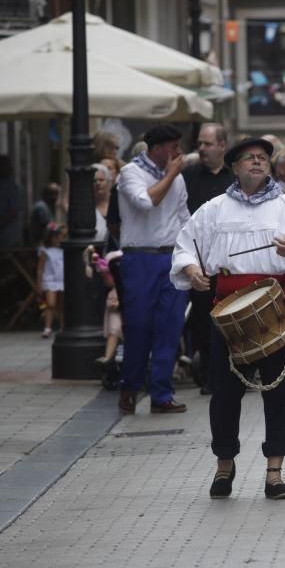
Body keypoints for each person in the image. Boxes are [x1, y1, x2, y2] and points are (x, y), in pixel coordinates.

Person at [171, 138, 285, 501]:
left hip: (275, 309)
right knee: (223, 393)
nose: (256, 163)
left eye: (262, 159)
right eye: (248, 159)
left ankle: (274, 474)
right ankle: (225, 466)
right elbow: (185, 246)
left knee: (281, 392)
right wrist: (192, 270)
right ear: (235, 167)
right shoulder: (214, 209)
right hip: (228, 310)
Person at [116, 125, 190, 415]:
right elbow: (147, 202)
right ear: (156, 148)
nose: (178, 153)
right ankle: (130, 386)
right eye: (173, 147)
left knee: (170, 327)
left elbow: (184, 218)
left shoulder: (179, 179)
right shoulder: (130, 173)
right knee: (138, 327)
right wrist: (171, 174)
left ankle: (161, 393)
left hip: (170, 256)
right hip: (139, 258)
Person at [183, 123, 236, 395]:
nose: (201, 148)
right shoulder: (188, 176)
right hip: (201, 263)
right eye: (200, 144)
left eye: (207, 143)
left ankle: (236, 374)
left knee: (233, 320)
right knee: (202, 321)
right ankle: (208, 377)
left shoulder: (235, 178)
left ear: (222, 146)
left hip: (231, 262)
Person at [37, 222, 66, 338]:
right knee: (50, 304)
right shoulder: (45, 251)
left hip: (62, 279)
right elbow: (40, 268)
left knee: (62, 305)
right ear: (49, 238)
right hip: (50, 280)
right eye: (56, 237)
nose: (59, 239)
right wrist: (39, 283)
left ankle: (63, 327)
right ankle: (47, 327)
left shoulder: (64, 250)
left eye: (60, 237)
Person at [93, 163, 113, 248]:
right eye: (94, 180)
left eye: (101, 180)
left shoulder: (118, 204)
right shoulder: (87, 208)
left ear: (109, 182)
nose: (98, 183)